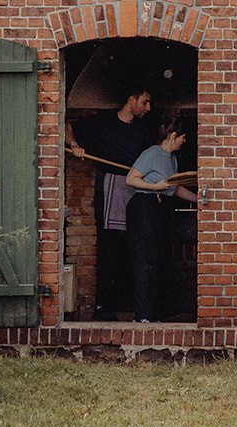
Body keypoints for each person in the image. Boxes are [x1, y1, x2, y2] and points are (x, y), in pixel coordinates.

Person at [66, 87, 151, 319]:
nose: (148, 108)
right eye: (144, 102)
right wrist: (74, 145)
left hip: (136, 189)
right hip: (109, 188)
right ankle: (104, 307)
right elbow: (68, 125)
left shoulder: (144, 131)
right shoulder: (102, 123)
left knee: (134, 246)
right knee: (109, 247)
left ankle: (137, 307)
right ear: (131, 98)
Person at [125, 113, 199, 323]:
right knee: (144, 260)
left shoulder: (172, 159)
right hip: (144, 206)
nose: (184, 141)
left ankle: (153, 313)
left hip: (161, 207)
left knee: (158, 260)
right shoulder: (152, 153)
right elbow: (131, 179)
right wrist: (154, 186)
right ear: (173, 135)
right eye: (182, 137)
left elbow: (173, 188)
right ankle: (142, 315)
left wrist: (198, 200)